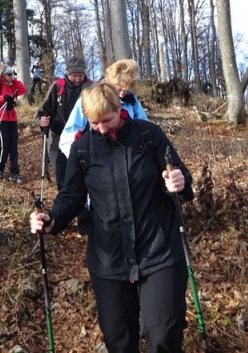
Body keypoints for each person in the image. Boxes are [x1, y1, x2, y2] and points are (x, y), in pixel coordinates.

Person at [30, 83, 193, 353]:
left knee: (163, 336)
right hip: (109, 262)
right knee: (119, 342)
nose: (101, 128)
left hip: (159, 253)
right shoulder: (82, 149)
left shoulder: (149, 136)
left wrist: (179, 182)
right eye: (94, 123)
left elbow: (181, 178)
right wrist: (52, 219)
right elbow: (71, 197)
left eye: (107, 120)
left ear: (120, 109)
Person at [59, 58, 148, 159]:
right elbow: (68, 135)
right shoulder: (89, 99)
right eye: (118, 89)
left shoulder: (131, 101)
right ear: (108, 82)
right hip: (96, 156)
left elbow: (144, 128)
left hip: (127, 156)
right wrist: (80, 158)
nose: (122, 95)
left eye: (126, 91)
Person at [36, 55, 92, 189]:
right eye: (74, 76)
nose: (78, 79)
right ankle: (64, 199)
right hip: (58, 137)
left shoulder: (91, 88)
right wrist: (42, 119)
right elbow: (44, 110)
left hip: (84, 137)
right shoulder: (58, 87)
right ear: (67, 73)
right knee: (62, 175)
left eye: (80, 75)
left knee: (83, 175)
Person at [0, 64, 27, 183]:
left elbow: (22, 90)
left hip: (12, 118)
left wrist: (14, 80)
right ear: (3, 75)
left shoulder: (11, 86)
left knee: (13, 146)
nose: (11, 76)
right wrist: (3, 98)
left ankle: (14, 172)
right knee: (5, 145)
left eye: (12, 74)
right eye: (9, 74)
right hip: (0, 118)